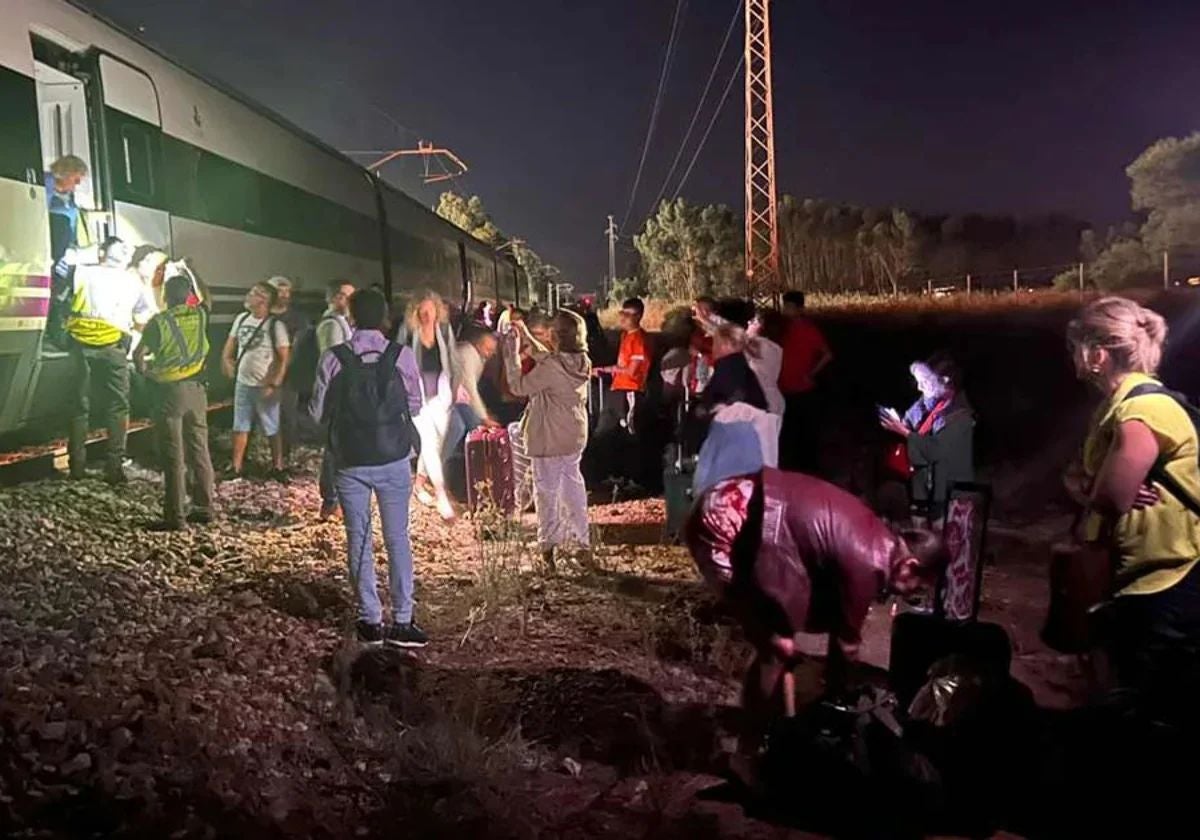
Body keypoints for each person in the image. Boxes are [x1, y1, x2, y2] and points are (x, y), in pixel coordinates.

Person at [685, 421, 947, 762]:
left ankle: (783, 727)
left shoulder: (876, 536)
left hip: (747, 507)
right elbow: (845, 645)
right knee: (776, 645)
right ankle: (746, 754)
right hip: (724, 522)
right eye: (918, 586)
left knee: (782, 639)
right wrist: (838, 700)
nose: (911, 594)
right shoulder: (870, 562)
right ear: (910, 567)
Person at [1065, 296, 1200, 725]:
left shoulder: (1143, 409)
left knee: (1151, 710)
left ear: (1097, 354)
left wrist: (1098, 488)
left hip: (1164, 582)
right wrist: (1095, 484)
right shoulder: (1114, 409)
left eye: (1076, 347)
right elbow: (1076, 477)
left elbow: (1112, 496)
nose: (1073, 356)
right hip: (1136, 578)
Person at [309, 288, 427, 648]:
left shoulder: (334, 357)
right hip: (393, 460)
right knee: (397, 538)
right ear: (385, 318)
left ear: (352, 317)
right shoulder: (401, 355)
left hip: (350, 463)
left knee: (358, 539)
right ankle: (403, 621)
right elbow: (416, 406)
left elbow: (317, 413)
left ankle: (370, 621)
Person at [65, 236, 156, 484]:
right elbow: (143, 318)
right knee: (118, 407)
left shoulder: (81, 273)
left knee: (79, 407)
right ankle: (114, 467)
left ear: (101, 253)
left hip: (81, 346)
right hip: (113, 348)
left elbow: (64, 299)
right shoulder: (132, 281)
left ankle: (77, 467)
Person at [504, 310, 592, 569]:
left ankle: (548, 549)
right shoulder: (581, 361)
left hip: (549, 439)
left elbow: (519, 386)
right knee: (573, 487)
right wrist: (525, 334)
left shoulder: (553, 367)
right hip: (573, 435)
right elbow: (549, 359)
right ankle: (582, 543)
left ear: (556, 335)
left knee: (546, 494)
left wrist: (511, 352)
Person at [133, 274, 215, 531]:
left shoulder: (159, 322)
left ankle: (175, 517)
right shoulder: (199, 315)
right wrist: (193, 272)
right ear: (188, 295)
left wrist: (147, 372)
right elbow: (207, 298)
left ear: (165, 297)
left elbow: (139, 355)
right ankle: (204, 508)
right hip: (197, 390)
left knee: (173, 456)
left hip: (169, 393)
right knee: (200, 450)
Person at [879, 353, 975, 520]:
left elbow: (934, 450)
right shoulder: (930, 400)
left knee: (945, 540)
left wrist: (904, 431)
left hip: (950, 494)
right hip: (924, 486)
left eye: (925, 382)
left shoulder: (961, 416)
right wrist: (898, 421)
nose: (919, 387)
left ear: (945, 381)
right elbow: (910, 419)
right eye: (918, 382)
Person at [398, 291, 460, 521]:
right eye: (421, 311)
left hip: (441, 391)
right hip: (417, 392)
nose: (425, 315)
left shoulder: (444, 330)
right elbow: (398, 357)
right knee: (429, 442)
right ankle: (442, 497)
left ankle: (420, 483)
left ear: (437, 311)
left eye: (429, 310)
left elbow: (452, 359)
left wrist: (456, 388)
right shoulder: (408, 332)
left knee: (438, 440)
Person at [221, 281, 290, 480]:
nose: (249, 295)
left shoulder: (275, 326)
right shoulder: (241, 319)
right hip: (243, 383)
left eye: (254, 293)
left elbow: (284, 357)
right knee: (239, 425)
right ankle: (235, 467)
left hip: (265, 385)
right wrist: (226, 360)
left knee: (272, 427)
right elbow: (231, 343)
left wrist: (274, 383)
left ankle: (278, 466)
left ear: (265, 300)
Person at [592, 297, 650, 486]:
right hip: (617, 390)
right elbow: (620, 365)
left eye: (627, 314)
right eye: (621, 313)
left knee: (629, 433)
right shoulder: (626, 337)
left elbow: (632, 370)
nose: (622, 318)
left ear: (638, 316)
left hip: (629, 391)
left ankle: (633, 477)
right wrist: (605, 370)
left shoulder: (639, 340)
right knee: (604, 431)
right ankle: (607, 473)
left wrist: (609, 370)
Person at [777, 290, 833, 473]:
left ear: (799, 309)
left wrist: (811, 373)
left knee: (805, 434)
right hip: (783, 388)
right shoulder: (780, 330)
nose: (786, 311)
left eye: (790, 307)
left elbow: (827, 354)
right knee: (787, 434)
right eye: (785, 306)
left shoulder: (809, 330)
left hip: (803, 389)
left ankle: (809, 470)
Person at [315, 280, 356, 520]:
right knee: (334, 448)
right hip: (338, 395)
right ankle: (331, 500)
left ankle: (335, 498)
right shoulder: (331, 325)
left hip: (342, 393)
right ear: (332, 299)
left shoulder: (342, 323)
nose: (348, 301)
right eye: (343, 296)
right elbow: (331, 362)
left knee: (339, 446)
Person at [267, 276, 308, 463]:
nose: (283, 295)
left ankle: (284, 458)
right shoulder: (263, 316)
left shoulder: (298, 319)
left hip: (289, 376)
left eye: (287, 291)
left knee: (286, 416)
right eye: (279, 290)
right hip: (262, 374)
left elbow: (300, 346)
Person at [445, 326, 500, 462]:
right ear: (478, 345)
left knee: (469, 426)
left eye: (493, 351)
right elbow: (470, 388)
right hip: (450, 399)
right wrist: (484, 416)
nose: (490, 354)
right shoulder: (467, 355)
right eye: (488, 349)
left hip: (457, 399)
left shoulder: (477, 356)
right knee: (465, 426)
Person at [747, 308, 787, 417]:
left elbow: (729, 337)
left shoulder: (759, 345)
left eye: (753, 321)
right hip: (772, 400)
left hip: (764, 402)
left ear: (761, 326)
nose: (748, 323)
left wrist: (706, 319)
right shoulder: (773, 346)